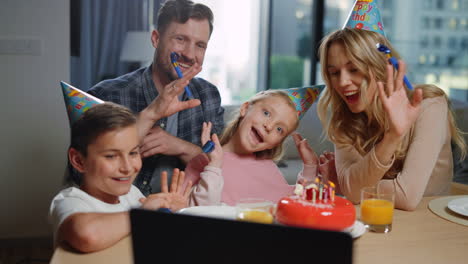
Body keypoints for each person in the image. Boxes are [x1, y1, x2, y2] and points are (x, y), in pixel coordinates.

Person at [316, 28, 466, 211]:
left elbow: (407, 196)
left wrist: (351, 186)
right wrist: (392, 137)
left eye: (354, 69)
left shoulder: (429, 105)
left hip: (428, 222)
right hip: (373, 217)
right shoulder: (344, 121)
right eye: (334, 73)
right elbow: (351, 192)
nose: (342, 82)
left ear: (380, 67)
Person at [87, 0, 224, 196]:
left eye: (200, 45)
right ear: (155, 38)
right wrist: (149, 115)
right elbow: (82, 175)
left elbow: (219, 170)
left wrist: (180, 147)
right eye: (180, 39)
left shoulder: (208, 96)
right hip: (123, 217)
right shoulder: (106, 96)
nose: (190, 54)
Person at [49, 103, 193, 253]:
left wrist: (173, 215)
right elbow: (87, 236)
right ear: (78, 160)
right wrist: (143, 215)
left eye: (133, 153)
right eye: (111, 156)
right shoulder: (69, 201)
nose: (127, 167)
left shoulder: (132, 194)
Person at [182, 89, 331, 206]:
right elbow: (197, 214)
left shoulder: (268, 167)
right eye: (266, 113)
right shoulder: (202, 163)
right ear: (245, 108)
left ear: (277, 142)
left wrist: (310, 167)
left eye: (280, 129)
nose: (269, 126)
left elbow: (296, 205)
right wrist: (214, 166)